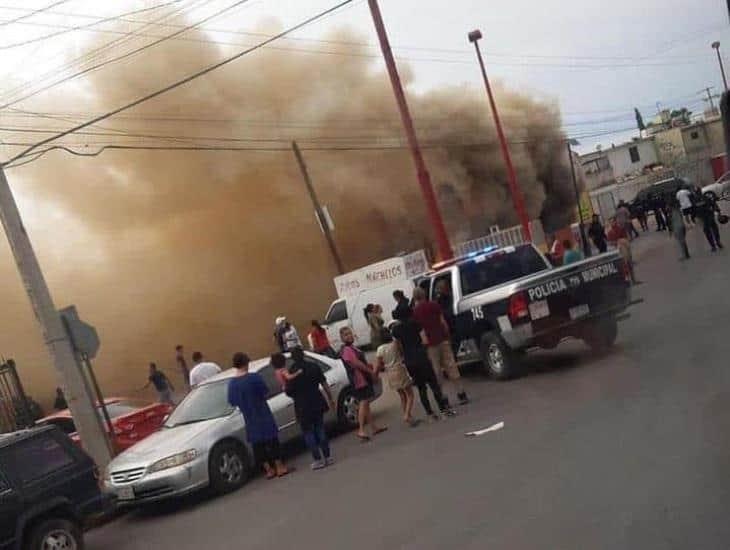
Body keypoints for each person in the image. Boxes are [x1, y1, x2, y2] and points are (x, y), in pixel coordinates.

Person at [227, 352, 289, 479]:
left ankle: (268, 470)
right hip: (262, 412)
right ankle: (279, 467)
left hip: (249, 417)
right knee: (272, 440)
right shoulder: (254, 378)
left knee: (257, 444)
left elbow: (232, 401)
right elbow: (265, 391)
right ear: (245, 363)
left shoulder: (232, 384)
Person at [411, 287, 469, 406]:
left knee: (436, 371)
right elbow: (443, 322)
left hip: (430, 344)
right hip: (442, 339)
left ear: (415, 297)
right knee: (451, 366)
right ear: (424, 294)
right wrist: (447, 335)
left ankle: (443, 398)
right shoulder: (434, 305)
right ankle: (461, 393)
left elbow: (418, 330)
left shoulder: (415, 312)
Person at [390, 315, 452, 420]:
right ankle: (443, 410)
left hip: (410, 361)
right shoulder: (416, 324)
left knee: (421, 388)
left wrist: (404, 355)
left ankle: (430, 414)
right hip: (422, 357)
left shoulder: (396, 330)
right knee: (434, 385)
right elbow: (425, 340)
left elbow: (397, 346)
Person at [285, 347, 335, 470]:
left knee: (308, 432)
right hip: (316, 400)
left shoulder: (292, 372)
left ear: (292, 358)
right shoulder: (313, 366)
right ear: (303, 355)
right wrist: (330, 398)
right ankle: (327, 456)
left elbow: (289, 391)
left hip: (302, 405)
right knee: (320, 428)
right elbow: (323, 383)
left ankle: (317, 459)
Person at [339, 326, 387, 441]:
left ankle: (373, 427)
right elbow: (356, 363)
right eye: (345, 334)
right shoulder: (347, 350)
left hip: (362, 378)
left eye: (349, 333)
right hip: (359, 379)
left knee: (366, 402)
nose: (349, 336)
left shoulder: (352, 348)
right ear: (341, 338)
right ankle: (361, 429)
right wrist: (370, 371)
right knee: (363, 402)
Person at [375, 323, 417, 427]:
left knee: (402, 395)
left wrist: (375, 374)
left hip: (390, 373)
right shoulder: (395, 344)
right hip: (399, 369)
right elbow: (402, 353)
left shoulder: (380, 349)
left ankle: (408, 416)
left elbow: (379, 364)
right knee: (410, 394)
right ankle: (407, 415)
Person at [607, 217, 638, 284]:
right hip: (618, 250)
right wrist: (617, 242)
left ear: (615, 222)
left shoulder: (620, 228)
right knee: (624, 266)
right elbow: (609, 243)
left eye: (613, 222)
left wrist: (622, 241)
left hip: (625, 248)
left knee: (629, 264)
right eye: (610, 222)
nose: (612, 223)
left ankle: (633, 280)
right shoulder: (610, 232)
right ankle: (628, 281)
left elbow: (627, 237)